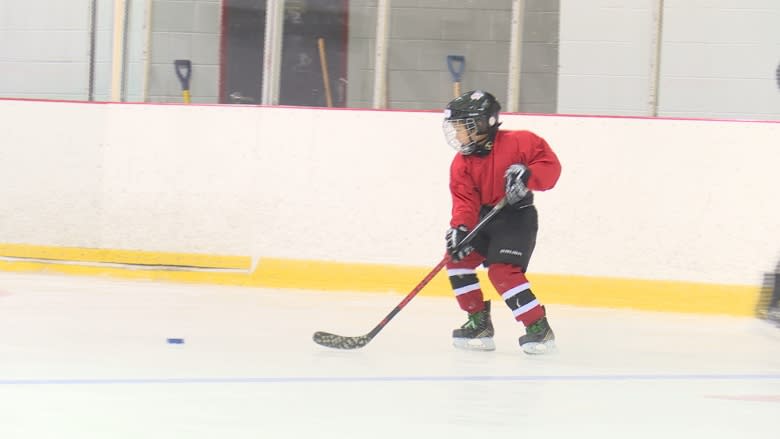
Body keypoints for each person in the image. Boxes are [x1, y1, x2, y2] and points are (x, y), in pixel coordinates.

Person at [441, 90, 561, 354]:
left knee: (502, 271)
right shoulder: (462, 163)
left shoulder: (521, 142)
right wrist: (460, 228)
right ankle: (478, 322)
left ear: (483, 124)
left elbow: (551, 169)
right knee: (457, 260)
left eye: (462, 127)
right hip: (484, 218)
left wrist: (528, 175)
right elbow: (464, 201)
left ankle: (538, 327)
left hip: (516, 217)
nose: (457, 134)